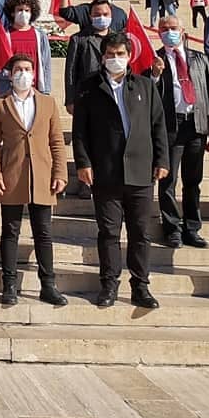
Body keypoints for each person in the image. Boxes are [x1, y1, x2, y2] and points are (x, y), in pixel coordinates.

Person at [71, 32, 169, 309]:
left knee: (140, 232)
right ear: (103, 57)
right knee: (109, 233)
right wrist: (83, 163)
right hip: (106, 171)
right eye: (111, 54)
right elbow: (80, 131)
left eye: (121, 54)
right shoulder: (89, 87)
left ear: (130, 56)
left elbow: (159, 125)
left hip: (140, 172)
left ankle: (140, 286)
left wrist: (162, 160)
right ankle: (109, 285)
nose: (116, 59)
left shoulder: (145, 86)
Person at [0, 53, 68, 306]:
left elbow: (56, 141)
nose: (23, 73)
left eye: (27, 69)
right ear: (10, 74)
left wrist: (60, 173)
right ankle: (9, 284)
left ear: (34, 73)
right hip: (12, 175)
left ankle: (48, 284)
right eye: (18, 69)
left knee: (43, 232)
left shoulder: (47, 102)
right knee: (10, 231)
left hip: (42, 176)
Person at [148, 16, 209, 249]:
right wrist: (155, 75)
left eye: (173, 28)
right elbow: (147, 93)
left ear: (182, 30)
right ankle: (171, 227)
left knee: (193, 179)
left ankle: (192, 227)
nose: (169, 32)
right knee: (168, 179)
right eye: (164, 29)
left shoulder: (199, 59)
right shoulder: (154, 59)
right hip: (170, 126)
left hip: (196, 124)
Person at [64, 0, 115, 116]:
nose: (101, 17)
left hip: (112, 94)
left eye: (105, 14)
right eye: (97, 14)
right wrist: (70, 100)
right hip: (86, 95)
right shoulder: (78, 39)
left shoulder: (118, 39)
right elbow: (71, 71)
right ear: (91, 16)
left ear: (111, 15)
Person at [0, 0, 51, 94]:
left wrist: (46, 89)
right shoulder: (4, 35)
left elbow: (46, 63)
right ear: (12, 12)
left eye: (27, 10)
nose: (23, 13)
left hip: (34, 87)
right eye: (19, 10)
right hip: (8, 87)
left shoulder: (40, 36)